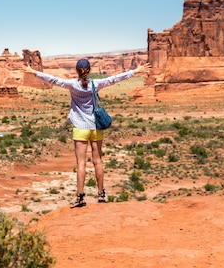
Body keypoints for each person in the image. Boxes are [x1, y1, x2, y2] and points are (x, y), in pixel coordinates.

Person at [24, 59, 150, 208]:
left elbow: (53, 79)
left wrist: (34, 72)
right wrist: (135, 71)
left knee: (81, 163)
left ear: (77, 71)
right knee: (98, 161)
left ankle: (80, 197)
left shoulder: (72, 85)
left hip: (80, 128)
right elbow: (114, 79)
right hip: (96, 127)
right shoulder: (95, 84)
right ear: (89, 71)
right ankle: (101, 195)